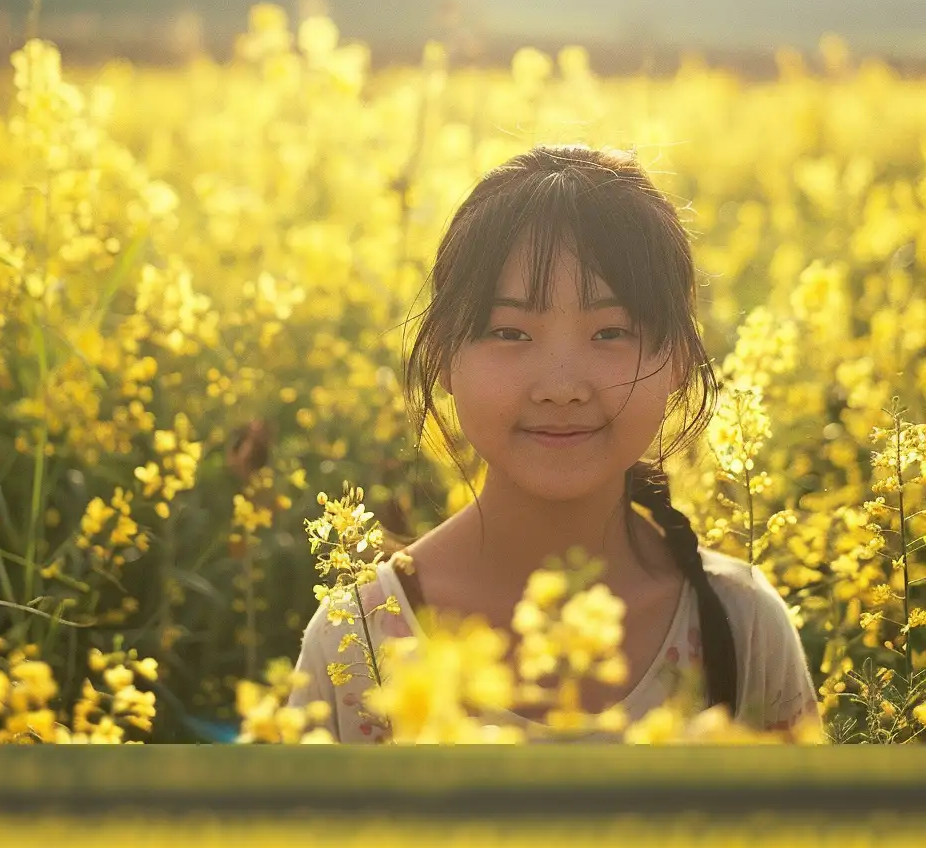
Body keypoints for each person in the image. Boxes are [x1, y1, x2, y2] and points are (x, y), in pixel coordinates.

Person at [288, 145, 819, 740]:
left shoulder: (739, 627)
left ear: (677, 357)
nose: (562, 387)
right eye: (510, 332)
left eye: (611, 331)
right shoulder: (356, 642)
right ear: (440, 355)